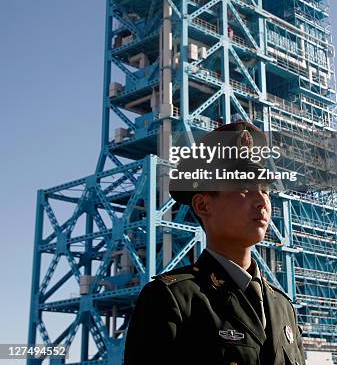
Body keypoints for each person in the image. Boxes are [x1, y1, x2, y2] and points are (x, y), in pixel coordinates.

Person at [123, 121, 305, 365]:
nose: (262, 201)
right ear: (203, 205)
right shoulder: (172, 299)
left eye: (265, 189)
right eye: (244, 186)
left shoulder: (284, 306)